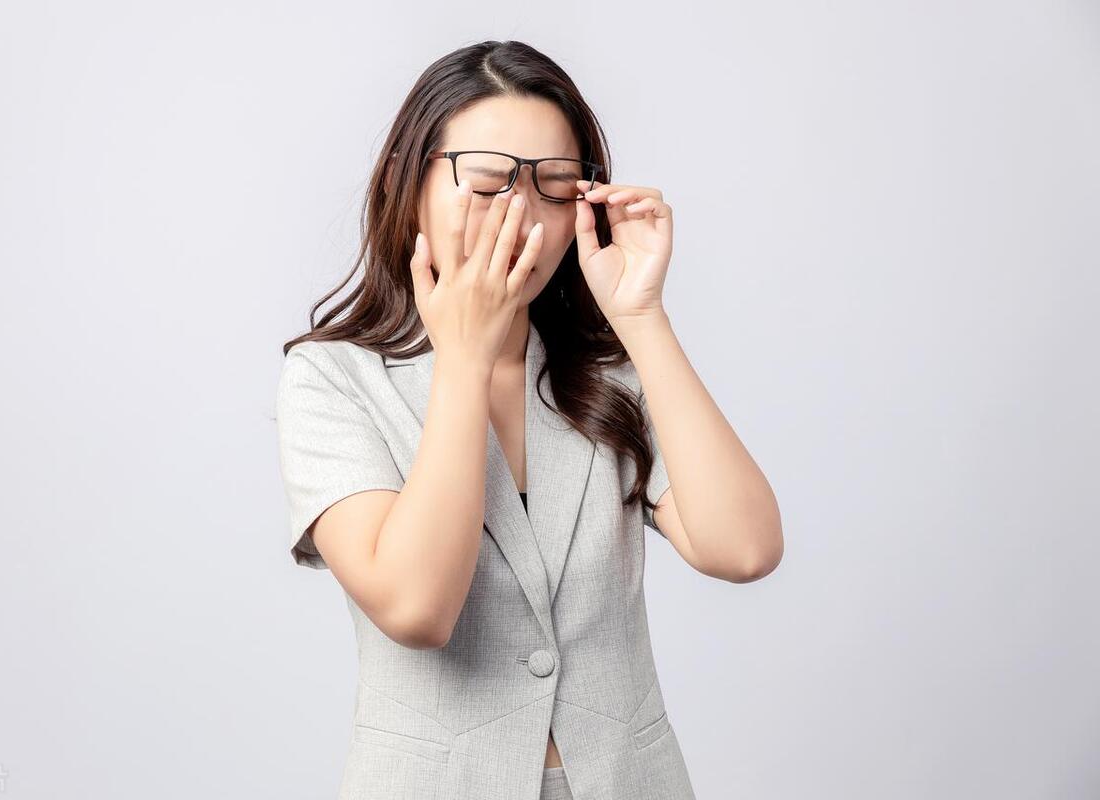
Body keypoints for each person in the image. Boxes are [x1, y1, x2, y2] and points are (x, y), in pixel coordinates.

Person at [275, 39, 783, 800]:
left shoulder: (605, 373)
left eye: (555, 187)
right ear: (408, 187)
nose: (521, 217)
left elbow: (743, 549)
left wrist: (642, 317)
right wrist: (465, 360)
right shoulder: (333, 379)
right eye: (486, 184)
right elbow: (416, 608)